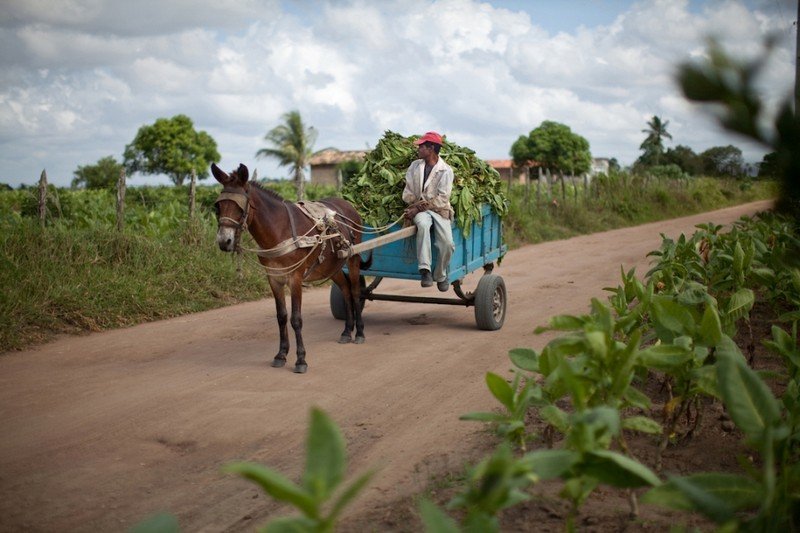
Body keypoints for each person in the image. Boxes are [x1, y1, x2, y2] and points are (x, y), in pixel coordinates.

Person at [402, 131, 455, 292]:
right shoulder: (415, 166)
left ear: (431, 148)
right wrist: (414, 204)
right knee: (423, 225)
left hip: (440, 211)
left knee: (447, 243)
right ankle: (425, 270)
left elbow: (442, 199)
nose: (418, 149)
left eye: (421, 146)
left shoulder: (446, 170)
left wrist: (418, 207)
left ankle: (440, 275)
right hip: (422, 212)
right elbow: (408, 192)